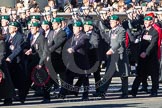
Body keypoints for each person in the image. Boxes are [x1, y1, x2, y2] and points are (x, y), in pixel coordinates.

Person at [94, 15, 130, 98]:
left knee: (123, 74)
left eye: (112, 22)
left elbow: (119, 42)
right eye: (110, 22)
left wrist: (112, 50)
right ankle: (102, 92)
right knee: (108, 74)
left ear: (117, 22)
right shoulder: (111, 31)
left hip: (119, 54)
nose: (110, 23)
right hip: (112, 56)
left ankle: (125, 93)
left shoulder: (121, 30)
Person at [130, 16, 159, 97]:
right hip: (142, 58)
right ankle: (133, 90)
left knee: (154, 75)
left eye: (147, 21)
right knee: (139, 74)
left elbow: (152, 44)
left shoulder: (154, 32)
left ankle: (154, 90)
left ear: (151, 22)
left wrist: (146, 52)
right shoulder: (143, 31)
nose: (145, 23)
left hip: (151, 57)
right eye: (145, 21)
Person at [24, 22, 48, 103]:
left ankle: (47, 97)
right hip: (33, 61)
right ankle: (22, 96)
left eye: (33, 28)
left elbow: (45, 52)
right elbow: (35, 49)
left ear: (38, 29)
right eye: (30, 28)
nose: (31, 30)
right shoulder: (32, 38)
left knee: (43, 80)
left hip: (39, 62)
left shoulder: (42, 38)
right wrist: (30, 51)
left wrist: (41, 63)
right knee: (28, 79)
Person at [5, 21, 26, 104]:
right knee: (9, 81)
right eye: (9, 27)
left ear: (16, 29)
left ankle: (21, 97)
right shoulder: (7, 36)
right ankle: (8, 99)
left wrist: (10, 57)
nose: (9, 29)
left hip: (17, 62)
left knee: (19, 81)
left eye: (11, 27)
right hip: (8, 63)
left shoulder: (20, 37)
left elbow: (18, 49)